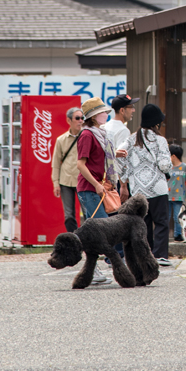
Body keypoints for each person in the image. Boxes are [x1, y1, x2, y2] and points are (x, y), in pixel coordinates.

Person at [117, 104, 173, 265]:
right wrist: (169, 165)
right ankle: (160, 255)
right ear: (156, 122)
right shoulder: (160, 140)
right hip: (158, 188)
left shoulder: (131, 139)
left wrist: (125, 178)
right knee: (161, 222)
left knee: (144, 223)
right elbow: (164, 165)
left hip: (138, 190)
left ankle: (146, 256)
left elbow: (119, 157)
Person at [76, 97, 119, 284]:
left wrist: (116, 154)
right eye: (102, 112)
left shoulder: (99, 134)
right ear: (93, 116)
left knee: (97, 231)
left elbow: (98, 156)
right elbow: (80, 164)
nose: (106, 115)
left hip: (96, 188)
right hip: (90, 189)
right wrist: (96, 184)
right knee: (99, 232)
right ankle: (94, 270)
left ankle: (94, 271)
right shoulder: (87, 135)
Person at [52, 107, 85, 233]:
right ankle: (73, 240)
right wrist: (56, 183)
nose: (80, 121)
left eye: (82, 118)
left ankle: (88, 242)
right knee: (69, 215)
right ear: (69, 120)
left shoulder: (87, 136)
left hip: (83, 180)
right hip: (65, 181)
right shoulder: (61, 140)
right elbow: (55, 163)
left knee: (87, 213)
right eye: (77, 118)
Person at [167, 143, 186, 240]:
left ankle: (177, 235)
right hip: (166, 196)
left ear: (173, 156)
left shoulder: (184, 167)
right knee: (165, 217)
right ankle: (164, 235)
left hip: (179, 196)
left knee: (178, 217)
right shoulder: (167, 167)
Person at [106, 94, 138, 158]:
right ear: (122, 110)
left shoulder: (106, 126)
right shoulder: (123, 130)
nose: (133, 110)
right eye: (131, 107)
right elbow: (122, 157)